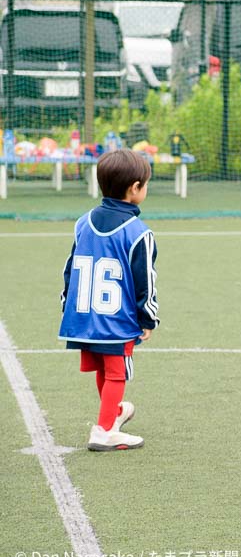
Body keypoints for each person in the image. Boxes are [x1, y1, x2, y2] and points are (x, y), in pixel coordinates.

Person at [58, 149, 159, 452]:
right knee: (116, 372)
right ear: (135, 188)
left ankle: (112, 414)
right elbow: (145, 281)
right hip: (116, 319)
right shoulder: (139, 232)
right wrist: (148, 318)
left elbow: (70, 266)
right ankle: (103, 431)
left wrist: (67, 302)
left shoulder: (83, 223)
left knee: (104, 368)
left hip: (84, 315)